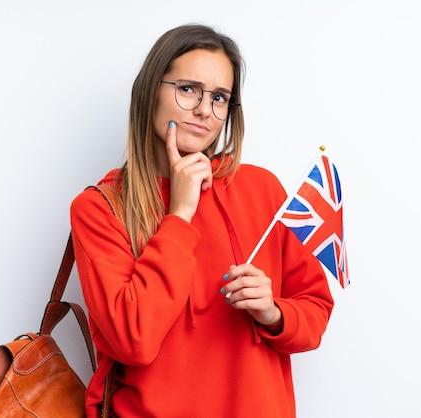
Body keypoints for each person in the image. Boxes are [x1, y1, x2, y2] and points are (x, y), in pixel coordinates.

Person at [70, 23, 334, 417]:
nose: (204, 110)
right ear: (149, 91)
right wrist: (179, 214)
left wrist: (274, 313)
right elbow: (133, 340)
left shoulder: (262, 189)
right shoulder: (100, 208)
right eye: (188, 89)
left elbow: (314, 310)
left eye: (220, 97)